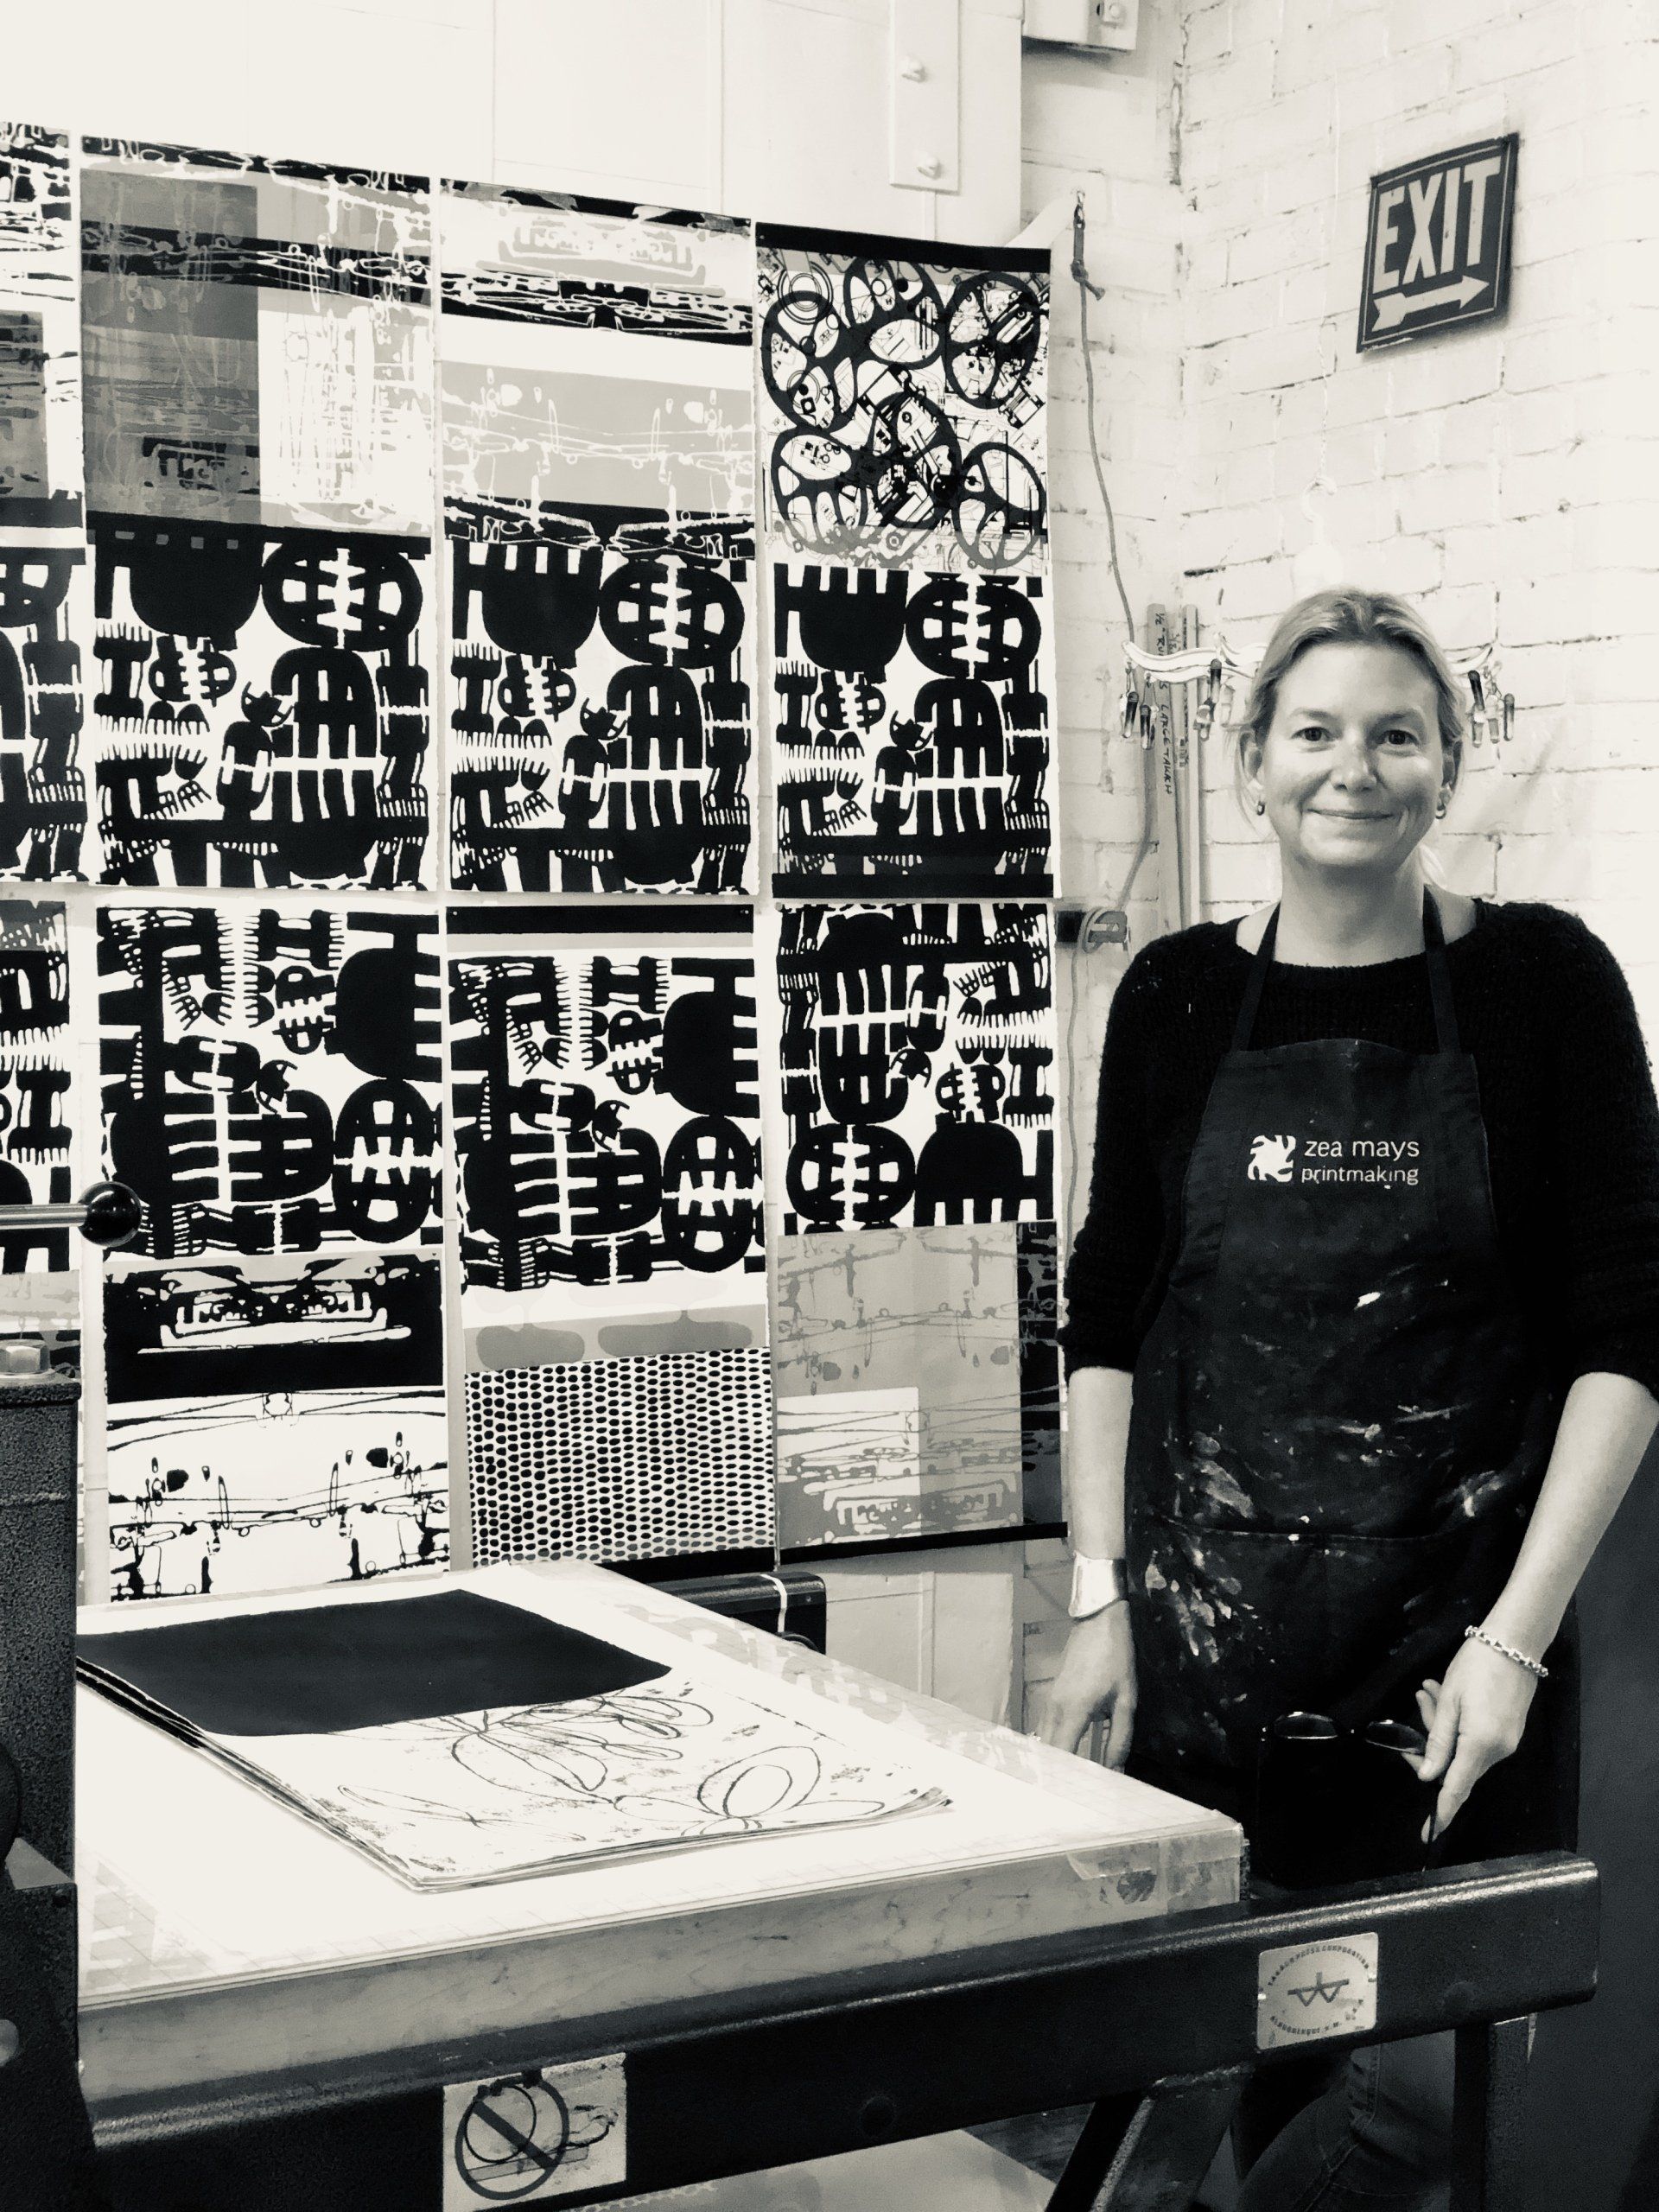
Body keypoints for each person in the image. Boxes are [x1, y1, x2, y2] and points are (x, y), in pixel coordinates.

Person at [1042, 588, 1659, 2209]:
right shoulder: (1174, 997)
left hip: (1456, 1667)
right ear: (1251, 764)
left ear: (1448, 767)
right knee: (1249, 2054)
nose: (1354, 769)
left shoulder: (1544, 984)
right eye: (1314, 732)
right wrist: (1101, 1603)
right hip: (1210, 1652)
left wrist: (1516, 1641)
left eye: (1398, 733)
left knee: (1434, 2096)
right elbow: (1106, 1312)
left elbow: (1628, 1331)